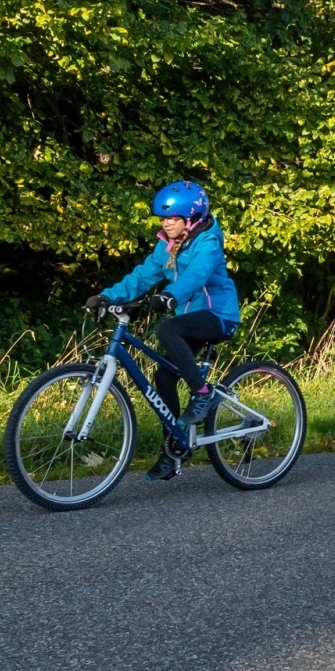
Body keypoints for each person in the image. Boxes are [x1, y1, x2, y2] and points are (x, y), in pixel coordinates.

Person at [84, 180, 241, 480]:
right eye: (163, 218)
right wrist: (108, 296)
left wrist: (171, 295)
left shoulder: (207, 242)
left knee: (168, 328)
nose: (166, 223)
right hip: (189, 320)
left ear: (192, 219)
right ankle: (172, 447)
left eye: (172, 218)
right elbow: (143, 275)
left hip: (217, 316)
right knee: (163, 375)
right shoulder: (167, 244)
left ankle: (202, 393)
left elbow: (197, 275)